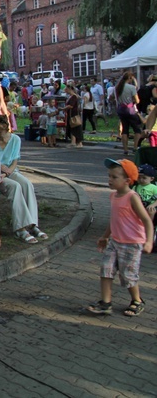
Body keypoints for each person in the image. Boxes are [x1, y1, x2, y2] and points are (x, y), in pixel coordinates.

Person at [88, 159, 153, 316]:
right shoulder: (113, 196)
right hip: (115, 242)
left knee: (128, 275)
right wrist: (105, 237)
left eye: (114, 177)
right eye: (109, 176)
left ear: (127, 181)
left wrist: (149, 241)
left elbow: (146, 220)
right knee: (106, 269)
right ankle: (105, 303)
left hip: (132, 244)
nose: (110, 180)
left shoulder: (132, 197)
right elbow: (114, 219)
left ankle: (137, 300)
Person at [0, 115, 47, 244]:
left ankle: (32, 225)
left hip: (10, 171)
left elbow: (15, 159)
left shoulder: (15, 139)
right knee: (14, 187)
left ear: (6, 130)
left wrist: (8, 172)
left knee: (27, 184)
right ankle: (20, 228)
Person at [115, 71, 143, 155]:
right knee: (137, 129)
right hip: (130, 109)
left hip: (121, 109)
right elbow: (137, 100)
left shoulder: (117, 87)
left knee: (124, 130)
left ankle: (125, 149)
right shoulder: (131, 87)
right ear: (130, 78)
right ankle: (135, 147)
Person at [63, 84, 84, 148]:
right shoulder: (70, 96)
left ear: (70, 89)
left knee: (76, 128)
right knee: (72, 128)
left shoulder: (74, 96)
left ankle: (79, 142)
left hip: (74, 114)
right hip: (70, 114)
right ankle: (73, 142)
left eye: (66, 89)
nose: (65, 90)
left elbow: (71, 105)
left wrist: (64, 108)